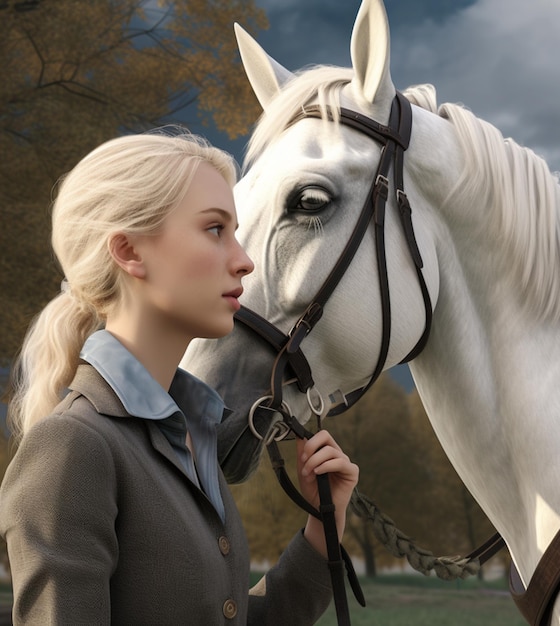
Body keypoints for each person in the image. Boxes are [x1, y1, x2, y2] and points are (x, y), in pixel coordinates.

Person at [0, 130, 359, 624]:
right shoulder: (73, 447)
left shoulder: (192, 435)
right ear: (129, 251)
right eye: (215, 230)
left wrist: (324, 528)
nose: (244, 260)